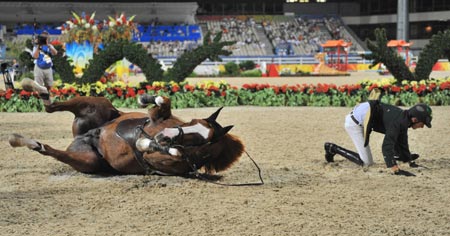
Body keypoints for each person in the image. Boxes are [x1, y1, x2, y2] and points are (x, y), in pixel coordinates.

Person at [324, 101, 432, 177]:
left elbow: (402, 140)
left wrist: (408, 159)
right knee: (367, 162)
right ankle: (332, 148)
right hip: (354, 123)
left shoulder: (404, 118)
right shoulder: (398, 122)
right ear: (415, 119)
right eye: (422, 124)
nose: (422, 127)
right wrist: (394, 168)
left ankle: (400, 156)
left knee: (398, 139)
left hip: (364, 113)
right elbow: (386, 146)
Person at [32, 31, 57, 105]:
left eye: (46, 38)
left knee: (49, 85)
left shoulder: (50, 46)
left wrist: (49, 46)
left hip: (48, 68)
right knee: (38, 85)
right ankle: (39, 101)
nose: (45, 39)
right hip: (39, 68)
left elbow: (55, 53)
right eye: (43, 38)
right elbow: (35, 56)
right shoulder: (36, 47)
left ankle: (47, 99)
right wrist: (38, 48)